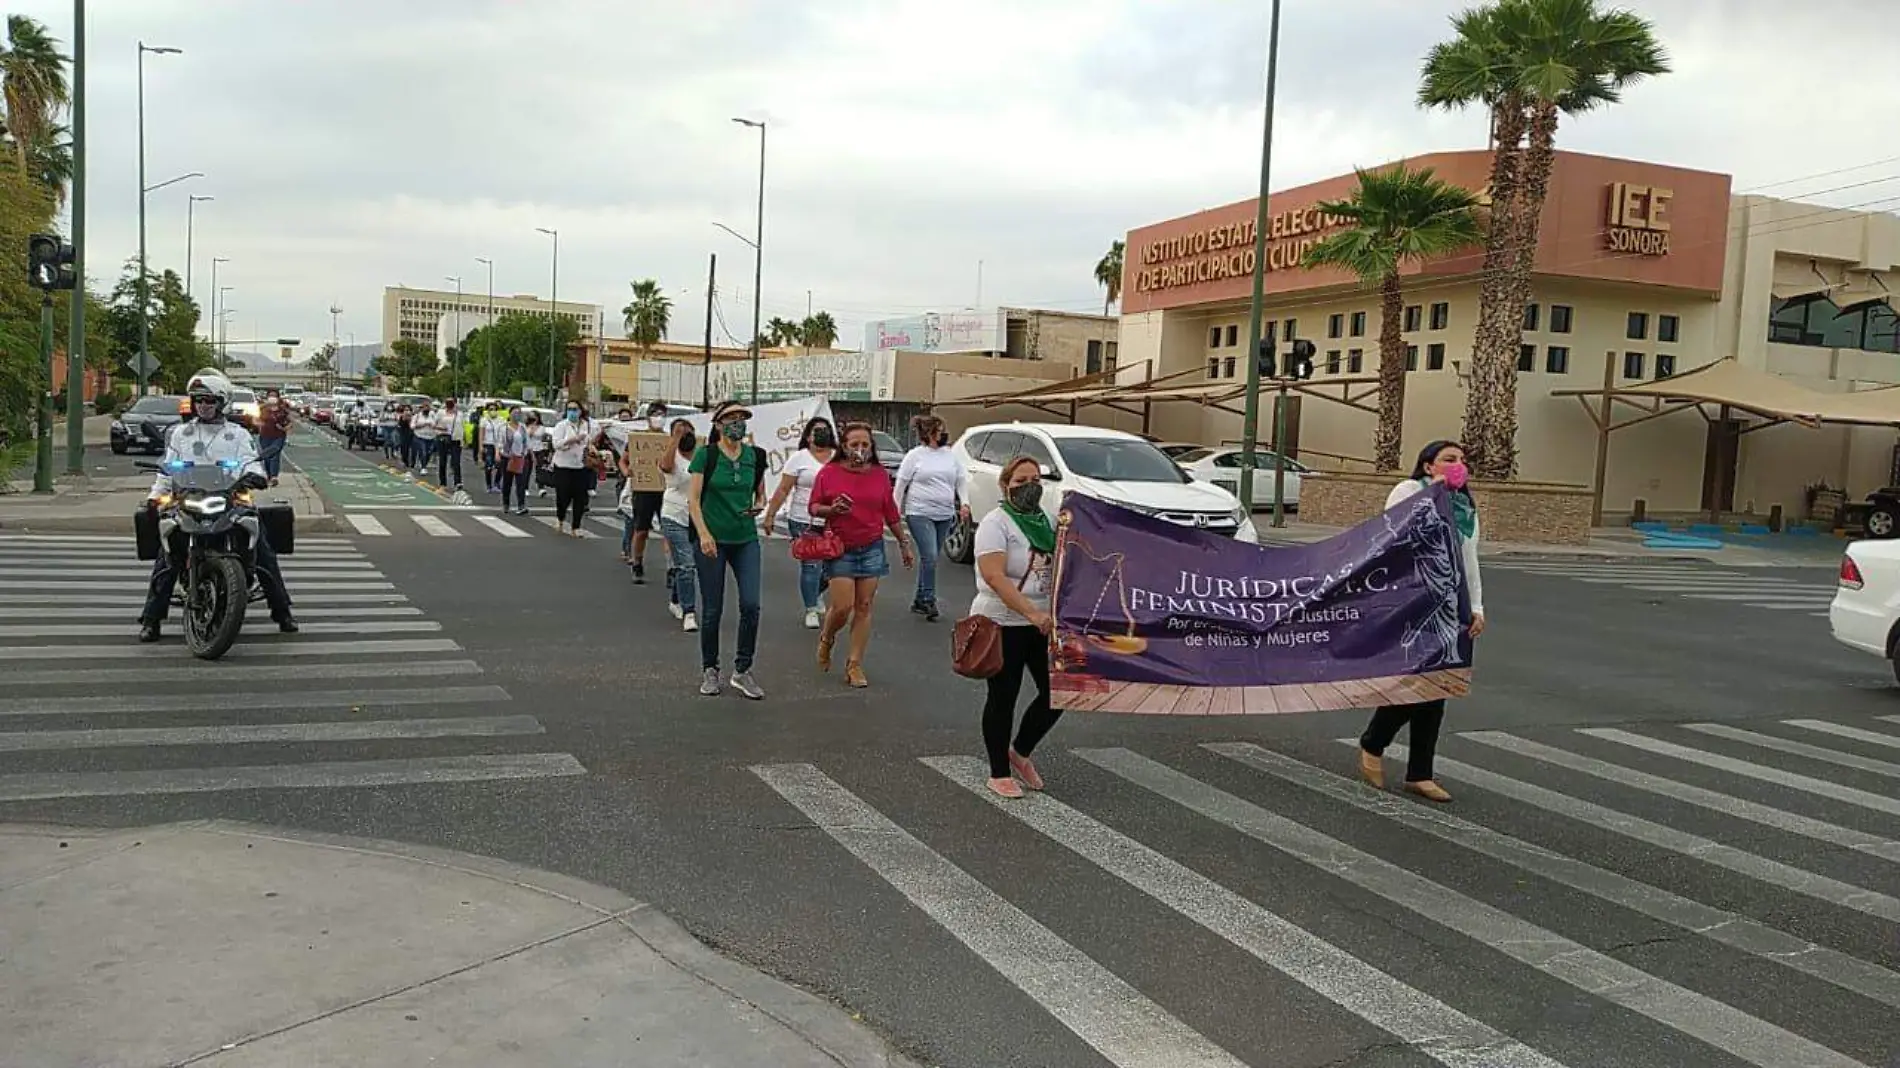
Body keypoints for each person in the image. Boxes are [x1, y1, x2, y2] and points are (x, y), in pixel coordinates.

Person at [1357, 439, 1486, 804]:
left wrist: (1477, 607)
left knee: (1439, 686)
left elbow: (1469, 559)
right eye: (1449, 459)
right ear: (1429, 465)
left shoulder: (1465, 506)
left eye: (1462, 459)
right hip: (1414, 600)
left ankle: (1420, 773)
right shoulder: (1410, 491)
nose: (1459, 464)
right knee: (1415, 682)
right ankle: (1374, 742)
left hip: (1452, 602)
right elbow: (1395, 542)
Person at [137, 376, 298, 643]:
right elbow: (167, 469)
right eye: (198, 400)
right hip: (187, 499)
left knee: (262, 549)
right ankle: (152, 618)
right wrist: (156, 495)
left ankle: (282, 611)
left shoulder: (238, 434)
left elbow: (251, 461)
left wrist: (255, 476)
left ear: (222, 402)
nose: (203, 405)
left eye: (209, 400)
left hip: (231, 498)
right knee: (168, 555)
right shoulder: (181, 433)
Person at [969, 456, 1060, 798]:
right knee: (1003, 696)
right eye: (1021, 481)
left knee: (1057, 693)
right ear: (1005, 485)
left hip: (1043, 621)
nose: (1029, 486)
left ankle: (1020, 752)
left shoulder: (1049, 521)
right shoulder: (997, 523)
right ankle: (998, 771)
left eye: (1035, 479)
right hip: (1004, 620)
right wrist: (1029, 612)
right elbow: (994, 576)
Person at [809, 422, 914, 688]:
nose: (860, 449)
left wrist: (903, 542)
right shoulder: (829, 473)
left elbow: (890, 511)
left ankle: (854, 664)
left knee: (864, 606)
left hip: (871, 546)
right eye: (854, 444)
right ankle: (827, 638)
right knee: (842, 606)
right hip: (840, 547)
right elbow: (814, 507)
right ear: (844, 447)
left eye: (865, 445)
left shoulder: (878, 474)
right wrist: (832, 510)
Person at [688, 400, 768, 700]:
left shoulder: (755, 456)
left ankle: (742, 670)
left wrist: (760, 505)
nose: (737, 423)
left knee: (751, 604)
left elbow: (760, 493)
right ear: (718, 424)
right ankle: (710, 668)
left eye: (741, 418)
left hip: (745, 538)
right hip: (713, 539)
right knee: (712, 608)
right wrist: (704, 534)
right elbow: (693, 500)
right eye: (731, 419)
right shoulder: (705, 455)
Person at [762, 415, 838, 629]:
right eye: (816, 431)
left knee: (833, 565)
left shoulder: (838, 458)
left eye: (824, 430)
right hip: (803, 519)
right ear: (808, 436)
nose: (820, 434)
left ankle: (814, 591)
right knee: (811, 564)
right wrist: (770, 515)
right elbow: (784, 489)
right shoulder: (799, 458)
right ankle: (811, 608)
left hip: (833, 520)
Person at [894, 413, 968, 623]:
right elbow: (901, 485)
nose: (943, 433)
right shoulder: (915, 456)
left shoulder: (950, 455)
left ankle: (919, 599)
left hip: (944, 514)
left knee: (931, 559)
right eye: (939, 430)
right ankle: (928, 598)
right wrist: (894, 512)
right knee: (930, 556)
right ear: (928, 433)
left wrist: (964, 502)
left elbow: (961, 480)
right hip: (919, 513)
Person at [657, 417, 699, 632]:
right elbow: (664, 466)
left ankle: (676, 598)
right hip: (674, 516)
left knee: (687, 565)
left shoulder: (701, 458)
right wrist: (675, 439)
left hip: (696, 518)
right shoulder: (673, 458)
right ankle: (689, 611)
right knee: (687, 564)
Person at [622, 401, 669, 581]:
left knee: (668, 530)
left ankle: (671, 566)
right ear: (648, 418)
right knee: (641, 529)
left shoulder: (669, 439)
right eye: (655, 414)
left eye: (662, 415)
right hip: (643, 489)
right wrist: (628, 472)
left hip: (665, 489)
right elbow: (624, 461)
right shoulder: (637, 440)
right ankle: (637, 563)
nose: (659, 418)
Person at [549, 400, 598, 536]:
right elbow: (556, 444)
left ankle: (575, 527)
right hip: (563, 465)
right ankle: (560, 518)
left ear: (580, 411)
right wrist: (573, 439)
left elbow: (588, 441)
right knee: (563, 495)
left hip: (580, 465)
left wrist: (592, 449)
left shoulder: (585, 425)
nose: (572, 412)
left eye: (575, 409)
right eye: (569, 409)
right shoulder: (561, 426)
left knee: (580, 498)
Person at [497, 408, 534, 516]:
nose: (517, 415)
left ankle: (521, 505)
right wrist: (498, 453)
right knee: (507, 482)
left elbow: (527, 442)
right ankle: (506, 503)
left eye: (519, 413)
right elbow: (499, 442)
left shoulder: (522, 428)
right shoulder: (503, 428)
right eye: (514, 413)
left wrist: (529, 454)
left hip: (520, 458)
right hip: (507, 457)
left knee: (521, 482)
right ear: (510, 414)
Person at [256, 389, 291, 485]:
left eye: (274, 396)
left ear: (278, 398)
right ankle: (269, 476)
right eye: (270, 396)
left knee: (275, 454)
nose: (272, 398)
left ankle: (274, 477)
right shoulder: (262, 409)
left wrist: (283, 428)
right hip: (265, 436)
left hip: (279, 436)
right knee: (267, 456)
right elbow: (255, 420)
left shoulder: (283, 410)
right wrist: (259, 424)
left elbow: (289, 423)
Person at [434, 398, 466, 490]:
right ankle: (443, 483)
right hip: (443, 438)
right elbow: (434, 424)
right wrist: (441, 429)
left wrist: (463, 440)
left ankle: (458, 482)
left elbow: (462, 427)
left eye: (451, 402)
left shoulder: (459, 414)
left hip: (456, 440)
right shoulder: (441, 413)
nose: (450, 404)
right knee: (442, 461)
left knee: (456, 462)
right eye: (448, 402)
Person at [479, 404, 508, 494]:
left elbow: (504, 433)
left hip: (499, 445)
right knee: (488, 466)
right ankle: (488, 485)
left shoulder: (502, 420)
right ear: (487, 410)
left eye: (495, 409)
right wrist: (480, 446)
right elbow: (481, 434)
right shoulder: (484, 420)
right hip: (488, 444)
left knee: (500, 465)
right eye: (491, 409)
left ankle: (497, 483)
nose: (493, 411)